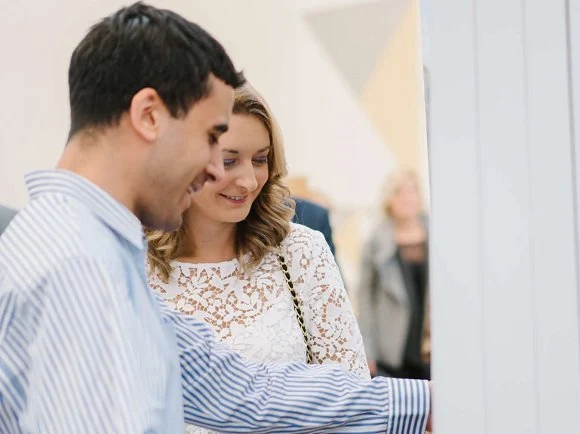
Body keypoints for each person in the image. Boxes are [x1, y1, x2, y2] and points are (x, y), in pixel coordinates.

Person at [0, 3, 431, 433]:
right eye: (209, 138)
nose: (213, 170)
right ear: (148, 115)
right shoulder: (77, 268)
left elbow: (234, 388)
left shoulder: (91, 247)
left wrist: (425, 403)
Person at [146, 86, 368, 432]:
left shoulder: (301, 253)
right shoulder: (132, 265)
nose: (249, 180)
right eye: (229, 160)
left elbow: (354, 403)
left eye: (260, 159)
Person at [358, 170, 431, 380]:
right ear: (389, 199)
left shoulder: (437, 233)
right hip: (392, 348)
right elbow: (365, 300)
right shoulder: (375, 241)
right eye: (399, 192)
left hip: (430, 344)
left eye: (412, 191)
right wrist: (368, 350)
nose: (407, 198)